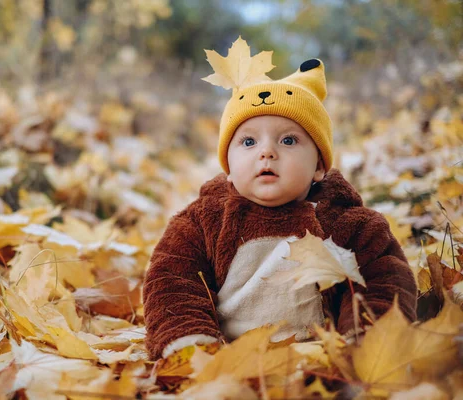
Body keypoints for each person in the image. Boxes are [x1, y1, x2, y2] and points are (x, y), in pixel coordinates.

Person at [142, 49, 418, 360]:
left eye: (288, 141)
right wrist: (192, 347)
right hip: (227, 363)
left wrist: (366, 342)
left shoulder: (349, 222)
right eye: (249, 142)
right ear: (228, 166)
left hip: (322, 362)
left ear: (318, 165)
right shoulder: (204, 221)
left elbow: (385, 280)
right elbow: (171, 282)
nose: (267, 152)